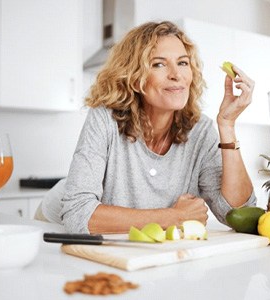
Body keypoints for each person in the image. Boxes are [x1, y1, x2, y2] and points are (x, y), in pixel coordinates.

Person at [42, 20, 256, 234]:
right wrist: (174, 217)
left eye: (182, 63)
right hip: (53, 221)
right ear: (135, 79)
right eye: (159, 64)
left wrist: (227, 126)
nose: (176, 74)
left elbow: (238, 214)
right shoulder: (104, 119)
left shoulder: (201, 131)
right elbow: (77, 214)